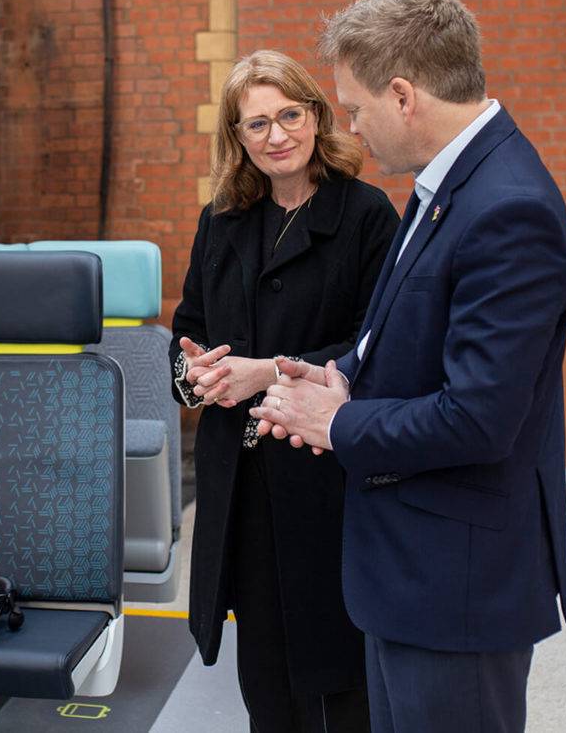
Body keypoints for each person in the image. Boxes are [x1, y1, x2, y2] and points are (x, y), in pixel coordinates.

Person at [249, 0, 566, 733]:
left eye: (356, 110)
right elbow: (401, 341)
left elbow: (478, 418)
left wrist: (339, 422)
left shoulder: (508, 208)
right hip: (409, 573)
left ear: (403, 95)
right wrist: (339, 377)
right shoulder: (444, 187)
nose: (354, 130)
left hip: (457, 589)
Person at [170, 49, 399, 733]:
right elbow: (187, 330)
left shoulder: (365, 216)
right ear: (237, 139)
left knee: (339, 682)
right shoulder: (223, 220)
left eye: (288, 115)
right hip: (240, 488)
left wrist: (264, 371)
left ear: (316, 116)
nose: (276, 136)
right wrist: (193, 375)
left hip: (324, 485)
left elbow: (376, 350)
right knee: (264, 683)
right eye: (256, 124)